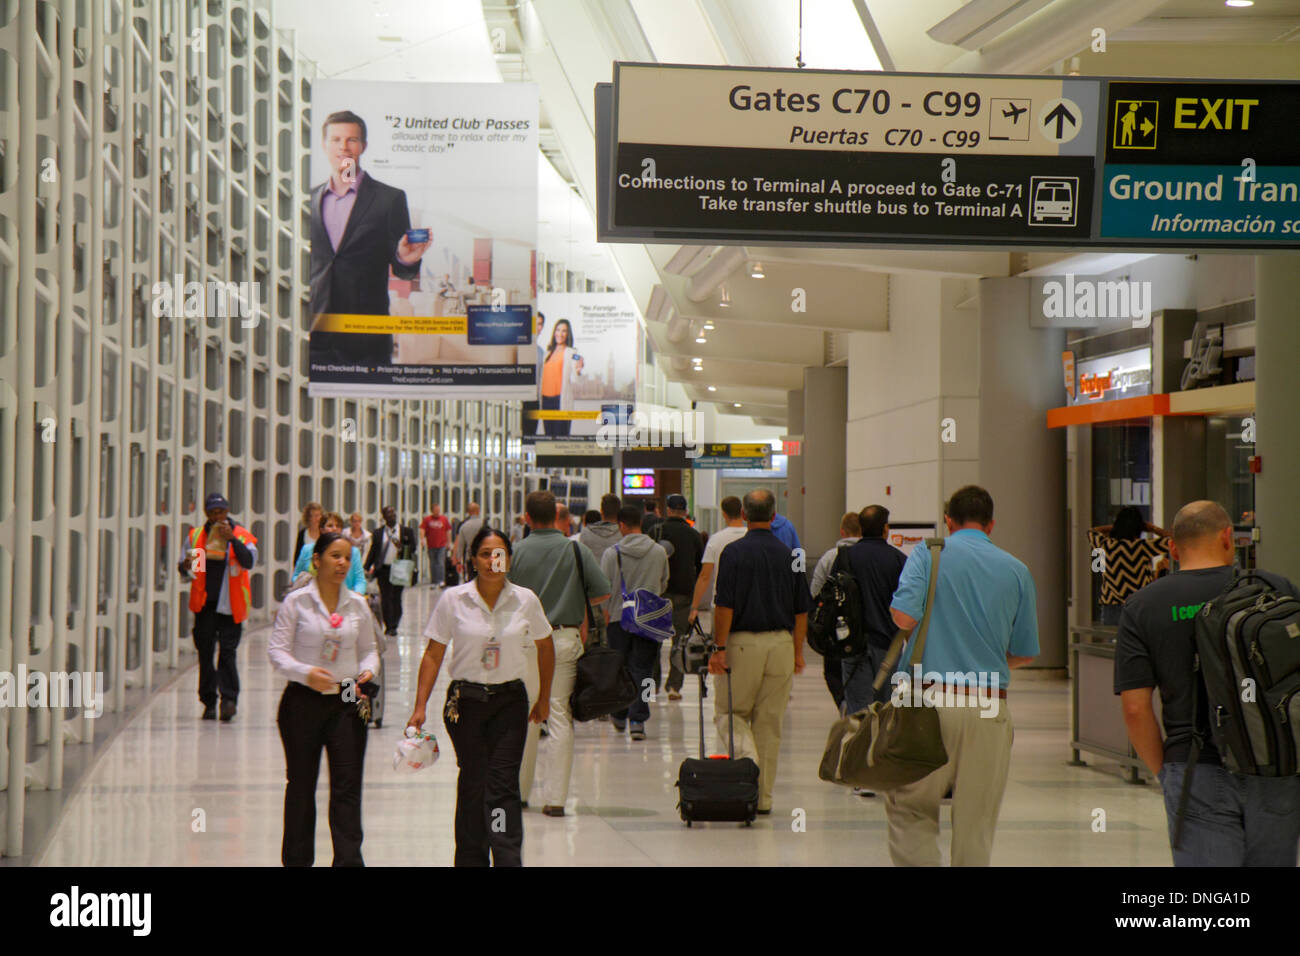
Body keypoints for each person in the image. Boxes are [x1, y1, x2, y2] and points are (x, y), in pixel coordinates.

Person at [1115, 500, 1300, 866]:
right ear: (1229, 537)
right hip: (1275, 765)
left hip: (1195, 767)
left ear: (1172, 546)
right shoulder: (1275, 589)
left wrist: (1165, 771)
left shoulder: (1143, 606)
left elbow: (1136, 708)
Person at [886, 485, 1039, 867]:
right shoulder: (1017, 569)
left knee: (911, 807)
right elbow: (1023, 653)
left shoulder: (928, 552)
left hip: (926, 701)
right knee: (977, 820)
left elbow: (904, 617)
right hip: (988, 705)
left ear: (948, 521)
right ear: (991, 525)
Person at [408, 527, 556, 867]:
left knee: (503, 785)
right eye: (485, 554)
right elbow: (433, 654)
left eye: (499, 553)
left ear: (509, 559)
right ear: (472, 560)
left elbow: (545, 646)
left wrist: (544, 697)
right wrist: (419, 707)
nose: (493, 561)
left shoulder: (525, 599)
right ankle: (471, 858)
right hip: (466, 704)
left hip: (509, 703)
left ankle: (505, 855)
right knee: (474, 783)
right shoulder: (454, 599)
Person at [269, 532, 380, 867]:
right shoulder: (297, 603)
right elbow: (277, 651)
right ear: (316, 560)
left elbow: (370, 650)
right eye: (334, 555)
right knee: (301, 785)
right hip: (303, 698)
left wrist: (367, 671)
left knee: (347, 787)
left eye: (347, 557)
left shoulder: (358, 605)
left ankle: (348, 860)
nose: (342, 563)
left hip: (346, 696)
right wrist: (305, 673)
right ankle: (297, 860)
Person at [508, 490, 610, 817]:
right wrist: (573, 599)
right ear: (557, 517)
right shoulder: (575, 550)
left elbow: (498, 595)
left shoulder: (514, 552)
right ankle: (556, 800)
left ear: (526, 518)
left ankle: (519, 793)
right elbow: (603, 591)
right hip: (562, 637)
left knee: (525, 714)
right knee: (559, 714)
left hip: (524, 642)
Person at [709, 489, 810, 815]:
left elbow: (724, 605)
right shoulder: (791, 555)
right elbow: (801, 610)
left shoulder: (733, 552)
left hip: (741, 644)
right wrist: (797, 652)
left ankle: (747, 760)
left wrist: (719, 648)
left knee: (729, 714)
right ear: (774, 513)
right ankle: (763, 799)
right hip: (780, 644)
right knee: (769, 724)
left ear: (745, 513)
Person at [308, 110, 431, 368]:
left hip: (366, 337)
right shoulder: (308, 200)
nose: (344, 147)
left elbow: (403, 271)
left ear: (363, 146)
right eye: (336, 140)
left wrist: (405, 259)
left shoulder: (390, 199)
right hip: (315, 334)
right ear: (324, 145)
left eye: (352, 140)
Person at [179, 492, 259, 721]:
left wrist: (232, 539)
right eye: (213, 512)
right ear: (207, 513)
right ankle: (209, 702)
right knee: (205, 655)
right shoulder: (197, 537)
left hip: (231, 606)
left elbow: (248, 561)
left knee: (228, 653)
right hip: (205, 605)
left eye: (221, 512)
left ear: (227, 511)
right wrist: (185, 566)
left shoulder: (241, 535)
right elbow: (191, 571)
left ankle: (229, 700)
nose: (217, 516)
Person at [600, 505, 670, 740]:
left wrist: (606, 612)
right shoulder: (658, 551)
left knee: (620, 668)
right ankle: (639, 720)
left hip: (619, 618)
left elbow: (605, 587)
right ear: (641, 523)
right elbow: (663, 582)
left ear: (621, 525)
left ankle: (619, 715)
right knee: (645, 669)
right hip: (649, 620)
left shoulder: (613, 553)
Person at [840, 506, 909, 719]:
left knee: (858, 712)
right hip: (889, 646)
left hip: (853, 644)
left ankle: (857, 749)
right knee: (887, 710)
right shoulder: (899, 560)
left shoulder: (845, 557)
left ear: (860, 528)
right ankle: (880, 751)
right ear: (885, 529)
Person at [809, 511, 863, 712]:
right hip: (865, 628)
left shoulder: (829, 557)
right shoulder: (869, 555)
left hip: (836, 630)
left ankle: (844, 703)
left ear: (842, 531)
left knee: (833, 672)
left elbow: (815, 592)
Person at [1088, 506, 1171, 626]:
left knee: (1112, 642)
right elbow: (1175, 539)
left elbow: (1092, 531)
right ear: (1139, 527)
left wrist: (1116, 527)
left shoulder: (1105, 544)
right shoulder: (1141, 546)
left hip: (1111, 605)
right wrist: (1152, 528)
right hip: (1139, 604)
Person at [659, 494, 704, 701]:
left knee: (653, 641)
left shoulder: (656, 531)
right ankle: (674, 687)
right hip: (685, 596)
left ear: (667, 510)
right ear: (685, 511)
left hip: (658, 596)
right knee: (679, 643)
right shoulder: (693, 535)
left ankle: (651, 684)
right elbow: (701, 567)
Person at [687, 495, 747, 637]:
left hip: (720, 604)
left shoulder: (716, 539)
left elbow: (704, 576)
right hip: (748, 603)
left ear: (724, 514)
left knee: (720, 648)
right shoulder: (751, 535)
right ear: (742, 512)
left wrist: (694, 607)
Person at [364, 504, 418, 637]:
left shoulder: (406, 531)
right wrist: (366, 566)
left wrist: (402, 547)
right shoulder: (378, 533)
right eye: (388, 514)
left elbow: (413, 549)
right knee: (386, 597)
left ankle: (395, 624)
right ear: (384, 517)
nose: (392, 516)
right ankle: (389, 625)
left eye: (393, 513)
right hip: (383, 569)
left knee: (396, 597)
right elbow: (374, 550)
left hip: (399, 568)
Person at [293, 512, 366, 594]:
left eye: (338, 526)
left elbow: (360, 580)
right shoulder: (307, 549)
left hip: (344, 597)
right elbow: (296, 575)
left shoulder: (353, 551)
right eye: (330, 526)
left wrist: (357, 595)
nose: (334, 528)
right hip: (311, 596)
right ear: (321, 529)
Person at [539, 319, 584, 437]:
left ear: (568, 334)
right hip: (545, 402)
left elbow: (577, 374)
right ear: (554, 332)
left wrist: (579, 369)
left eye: (564, 331)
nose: (560, 333)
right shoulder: (547, 353)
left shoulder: (572, 352)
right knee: (548, 438)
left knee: (561, 439)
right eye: (558, 330)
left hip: (560, 401)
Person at [580, 494, 623, 565]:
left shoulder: (586, 533)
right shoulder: (623, 533)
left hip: (592, 575)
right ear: (619, 512)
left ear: (601, 511)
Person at [421, 503, 452, 588]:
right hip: (431, 545)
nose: (437, 512)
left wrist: (449, 543)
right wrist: (422, 539)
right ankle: (434, 581)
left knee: (440, 562)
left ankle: (441, 580)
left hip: (442, 545)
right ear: (432, 511)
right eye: (436, 510)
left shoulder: (444, 519)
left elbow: (448, 531)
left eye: (438, 510)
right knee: (433, 563)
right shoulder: (427, 519)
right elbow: (422, 529)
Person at [453, 502, 484, 579]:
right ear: (478, 511)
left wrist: (458, 562)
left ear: (468, 512)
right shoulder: (484, 524)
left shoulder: (464, 526)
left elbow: (460, 546)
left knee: (472, 581)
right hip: (484, 557)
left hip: (470, 558)